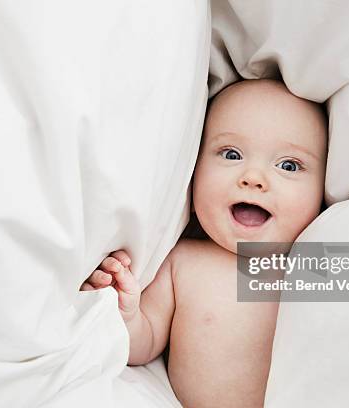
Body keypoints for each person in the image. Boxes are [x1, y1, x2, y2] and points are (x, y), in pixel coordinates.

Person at [80, 79, 327, 407]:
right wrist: (127, 316)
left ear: (323, 196)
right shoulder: (184, 262)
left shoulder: (313, 264)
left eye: (289, 165)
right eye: (231, 154)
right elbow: (145, 344)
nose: (253, 177)